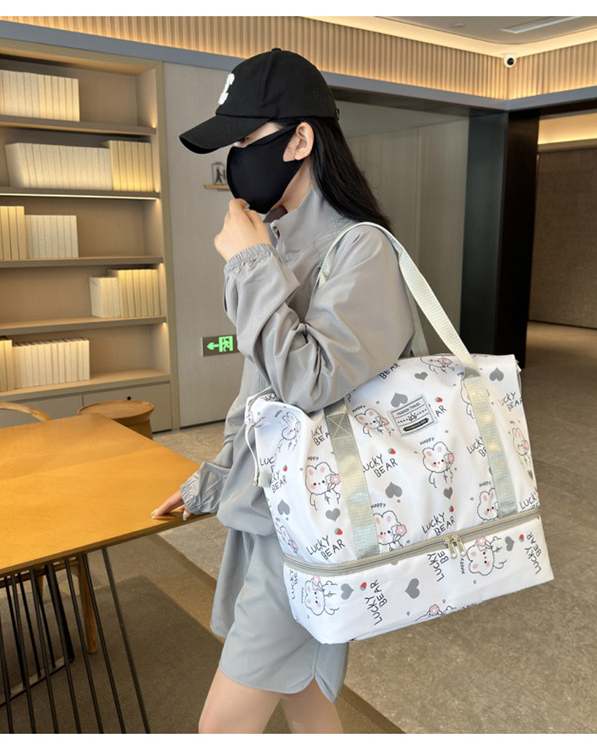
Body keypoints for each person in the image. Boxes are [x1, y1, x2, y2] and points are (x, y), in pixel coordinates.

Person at [152, 48, 415, 734]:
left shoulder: (361, 250)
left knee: (221, 728)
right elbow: (259, 394)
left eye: (246, 141)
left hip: (310, 525)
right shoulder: (274, 241)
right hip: (269, 511)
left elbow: (308, 382)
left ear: (301, 139)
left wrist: (248, 264)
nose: (235, 161)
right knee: (301, 693)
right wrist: (216, 477)